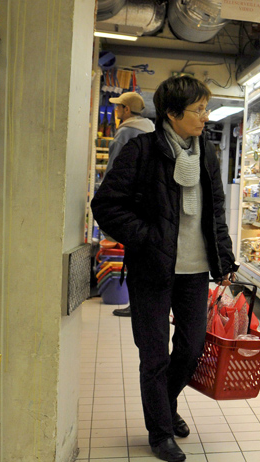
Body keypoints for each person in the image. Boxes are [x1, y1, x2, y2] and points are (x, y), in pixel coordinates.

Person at [91, 76, 238, 462]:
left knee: (191, 348)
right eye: (199, 110)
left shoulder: (207, 153)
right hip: (152, 270)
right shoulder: (142, 151)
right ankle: (160, 432)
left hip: (194, 272)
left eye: (206, 109)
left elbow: (215, 213)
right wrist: (148, 237)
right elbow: (106, 206)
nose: (206, 117)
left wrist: (225, 260)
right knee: (154, 354)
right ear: (172, 114)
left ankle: (165, 405)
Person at [104, 91, 156, 318]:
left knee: (133, 255)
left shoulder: (125, 133)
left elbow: (113, 172)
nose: (116, 112)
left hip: (129, 203)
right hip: (149, 203)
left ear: (126, 110)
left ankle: (135, 304)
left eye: (118, 108)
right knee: (144, 256)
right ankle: (141, 304)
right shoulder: (152, 131)